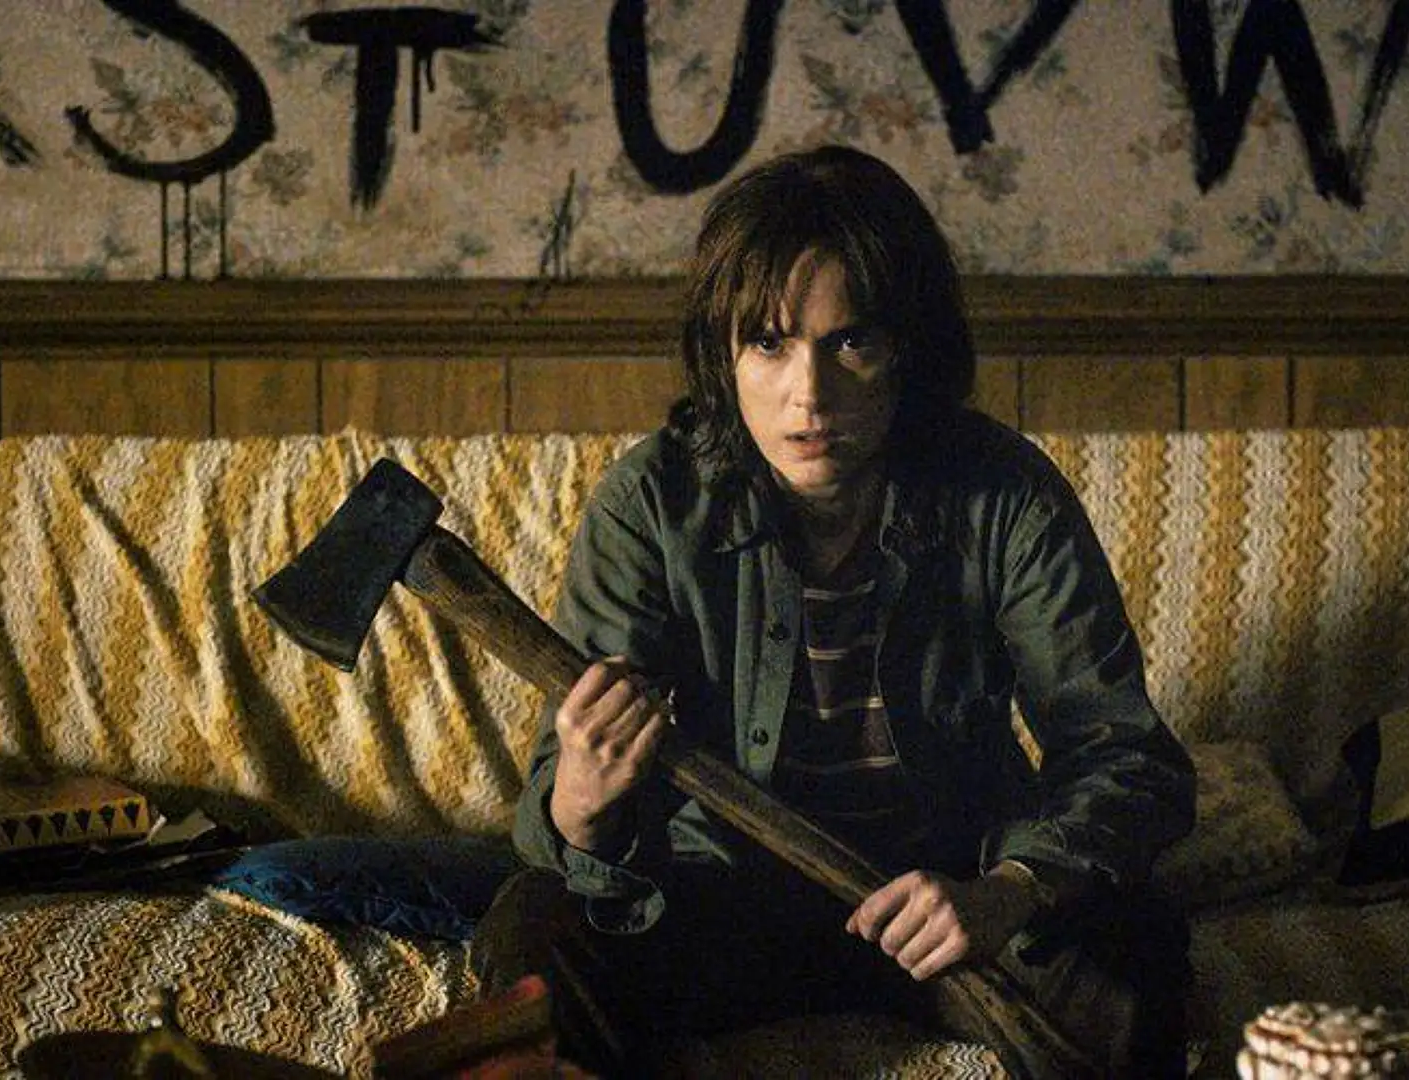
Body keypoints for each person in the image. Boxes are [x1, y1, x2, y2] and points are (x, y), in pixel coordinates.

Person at [471, 145, 1197, 1078]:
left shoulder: (1003, 493)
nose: (808, 395)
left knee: (1134, 948)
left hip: (943, 908)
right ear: (723, 354)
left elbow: (1126, 758)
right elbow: (551, 830)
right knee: (533, 927)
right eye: (768, 344)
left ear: (908, 350)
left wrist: (1008, 891)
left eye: (851, 342)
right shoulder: (651, 503)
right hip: (717, 905)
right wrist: (582, 797)